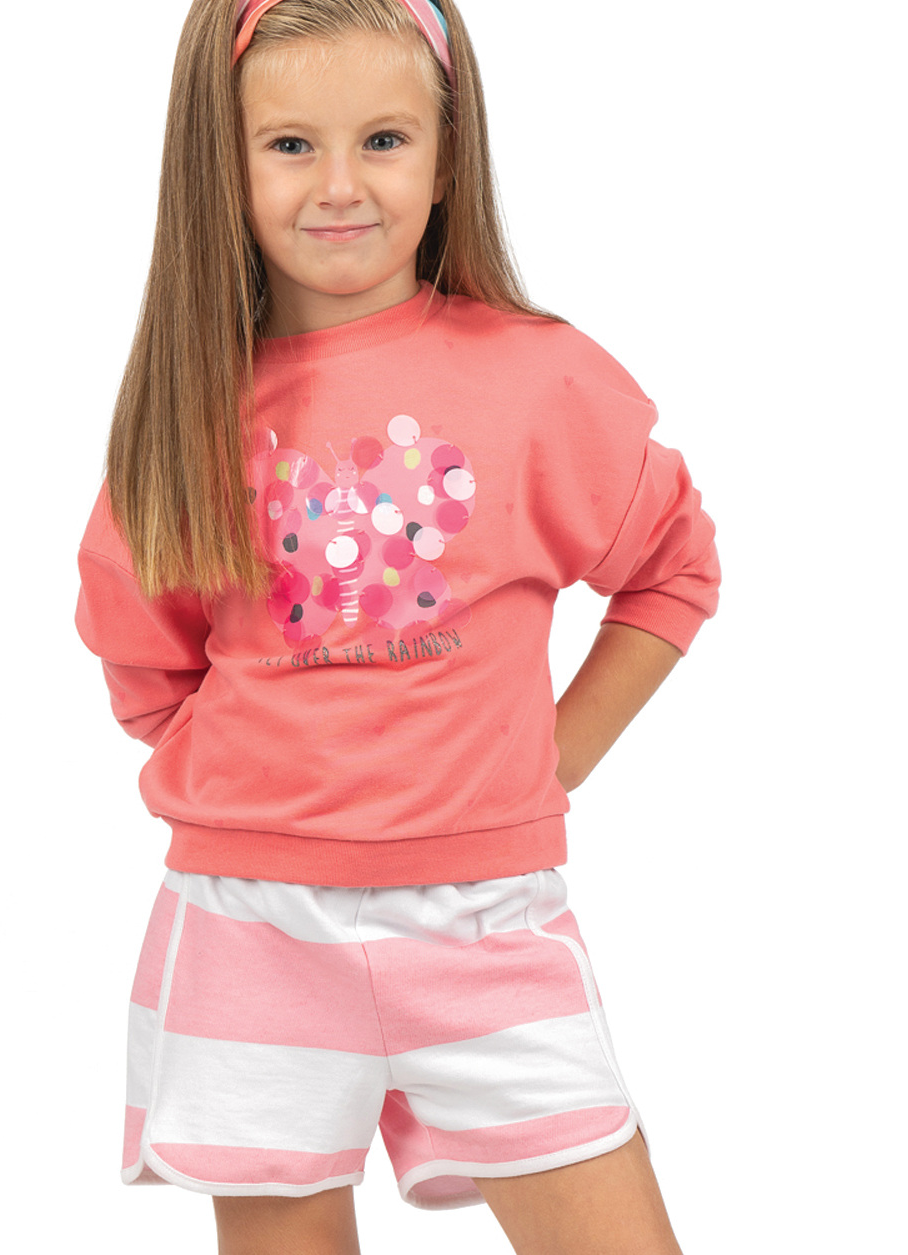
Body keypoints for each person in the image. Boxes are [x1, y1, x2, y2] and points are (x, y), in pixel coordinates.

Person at [75, 0, 720, 1251]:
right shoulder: (188, 412)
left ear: (444, 155)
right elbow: (145, 668)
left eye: (382, 139)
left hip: (488, 925)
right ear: (220, 161)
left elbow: (673, 569)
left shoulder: (539, 377)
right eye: (290, 145)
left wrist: (551, 758)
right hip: (252, 933)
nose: (340, 187)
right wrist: (267, 786)